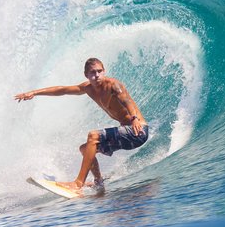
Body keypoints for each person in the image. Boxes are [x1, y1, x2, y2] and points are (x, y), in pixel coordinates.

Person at [15, 57, 148, 193]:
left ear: (104, 71)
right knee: (85, 149)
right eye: (92, 72)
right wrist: (34, 93)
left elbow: (127, 102)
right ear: (86, 75)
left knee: (93, 136)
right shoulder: (88, 88)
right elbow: (62, 90)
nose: (97, 75)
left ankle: (77, 184)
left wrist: (135, 118)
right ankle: (98, 182)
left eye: (99, 71)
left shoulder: (113, 85)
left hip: (138, 131)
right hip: (126, 133)